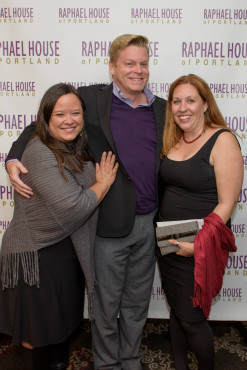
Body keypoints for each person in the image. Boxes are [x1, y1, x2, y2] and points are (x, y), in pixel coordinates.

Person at [5, 34, 167, 369]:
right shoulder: (91, 99)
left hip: (149, 222)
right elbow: (41, 124)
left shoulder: (164, 109)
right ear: (112, 67)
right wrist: (12, 156)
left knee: (137, 304)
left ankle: (131, 359)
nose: (138, 70)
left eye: (143, 63)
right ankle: (107, 364)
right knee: (105, 305)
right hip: (105, 222)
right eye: (129, 63)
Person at [0, 83, 118, 370]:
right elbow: (74, 207)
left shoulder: (71, 146)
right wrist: (103, 182)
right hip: (37, 257)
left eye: (75, 113)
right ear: (46, 119)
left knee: (60, 335)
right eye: (60, 114)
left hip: (65, 253)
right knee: (40, 339)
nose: (69, 120)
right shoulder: (40, 151)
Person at [156, 74, 243, 370]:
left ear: (205, 104)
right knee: (178, 313)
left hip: (197, 248)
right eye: (177, 101)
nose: (183, 107)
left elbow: (227, 203)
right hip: (168, 243)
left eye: (191, 100)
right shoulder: (173, 138)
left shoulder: (223, 140)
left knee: (192, 320)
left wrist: (198, 244)